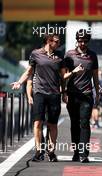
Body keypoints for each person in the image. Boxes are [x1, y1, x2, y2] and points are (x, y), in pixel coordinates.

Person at [11, 33, 65, 162]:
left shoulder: (60, 56)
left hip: (54, 94)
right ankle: (38, 151)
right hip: (39, 92)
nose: (58, 44)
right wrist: (19, 82)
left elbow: (63, 77)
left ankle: (51, 152)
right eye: (56, 42)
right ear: (48, 41)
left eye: (59, 42)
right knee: (37, 123)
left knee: (52, 124)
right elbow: (29, 71)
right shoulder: (36, 54)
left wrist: (65, 92)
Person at [63, 29, 99, 163]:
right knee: (74, 124)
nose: (82, 43)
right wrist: (64, 91)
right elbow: (64, 76)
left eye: (85, 41)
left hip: (87, 94)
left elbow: (95, 76)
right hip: (72, 94)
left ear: (88, 41)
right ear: (76, 40)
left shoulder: (93, 55)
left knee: (84, 123)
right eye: (80, 40)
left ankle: (84, 153)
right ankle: (76, 152)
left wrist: (98, 93)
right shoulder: (69, 54)